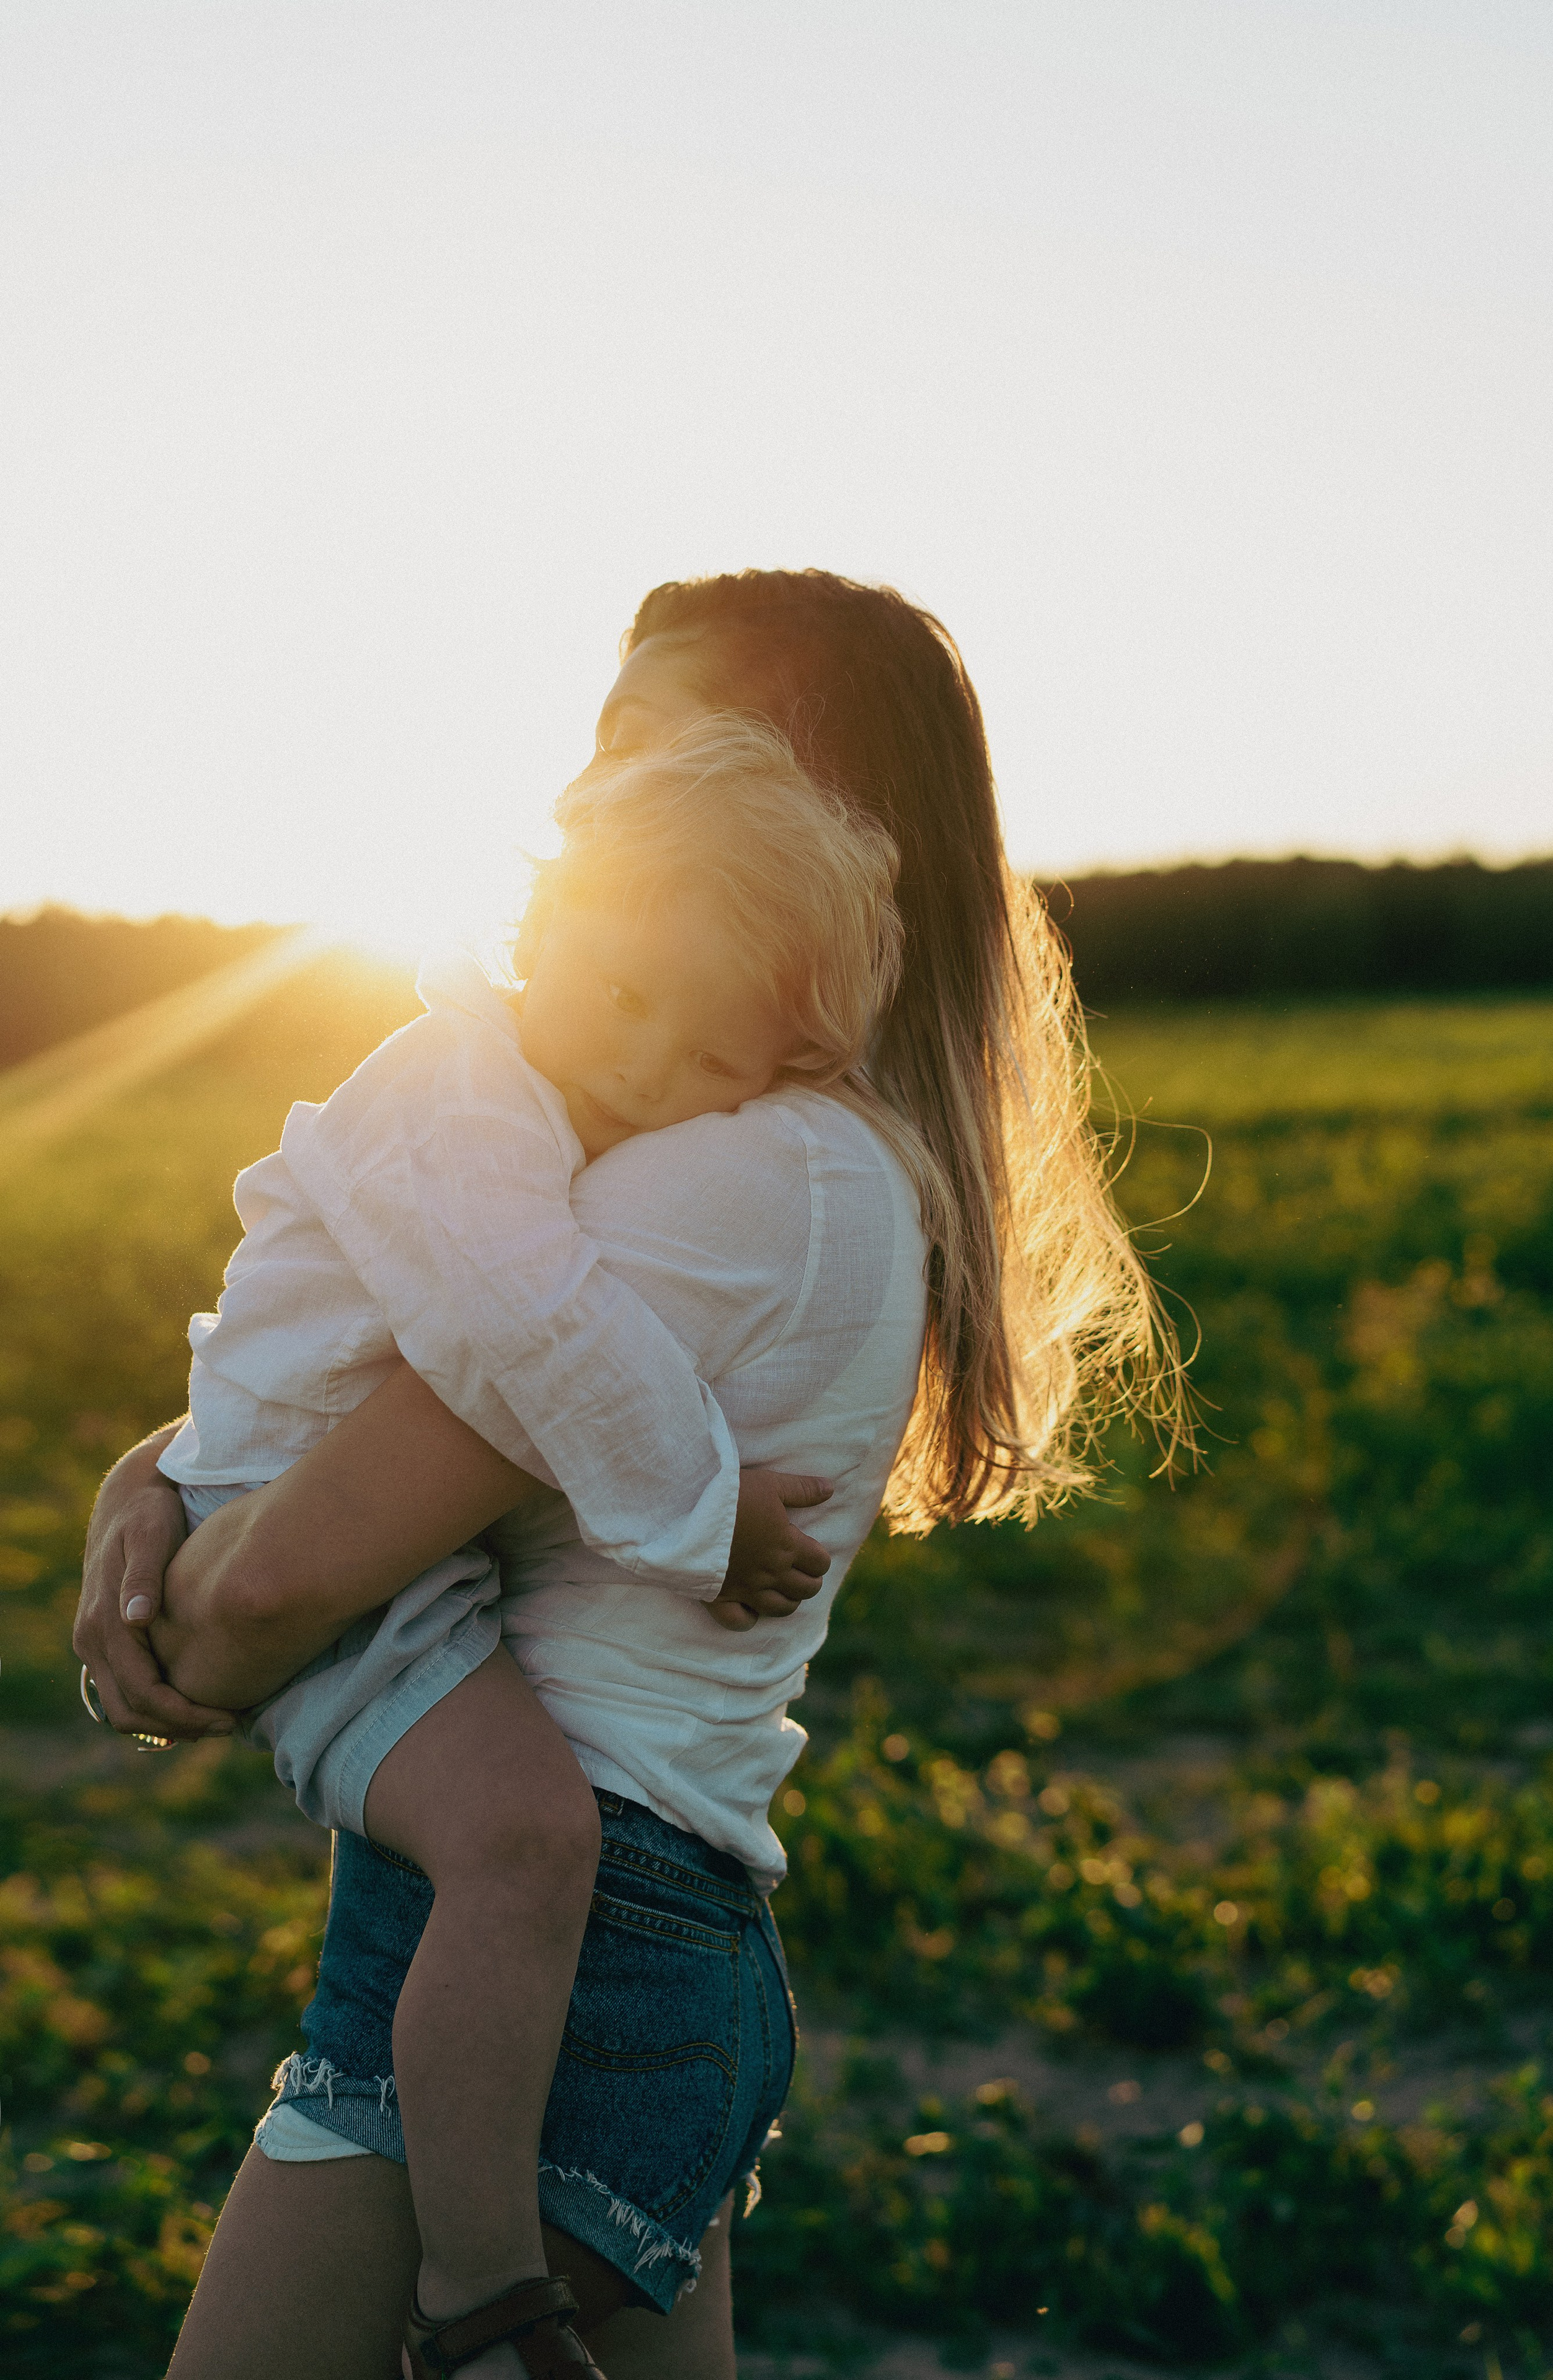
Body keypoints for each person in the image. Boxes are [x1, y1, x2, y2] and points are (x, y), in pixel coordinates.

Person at [76, 569, 1187, 2380]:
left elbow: (288, 1573)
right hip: (643, 1935)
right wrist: (163, 1470)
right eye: (609, 741)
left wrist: (179, 1597)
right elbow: (385, 1353)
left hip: (561, 1937)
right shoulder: (771, 1147)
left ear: (814, 815)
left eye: (670, 741)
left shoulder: (735, 1170)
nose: (612, 793)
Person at [128, 716, 903, 2378]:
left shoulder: (675, 1143)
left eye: (710, 1060)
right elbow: (531, 1335)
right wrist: (704, 1514)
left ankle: (482, 2292)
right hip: (341, 1576)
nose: (645, 1073)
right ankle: (481, 2291)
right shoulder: (466, 1104)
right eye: (621, 1000)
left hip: (381, 1571)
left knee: (531, 1841)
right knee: (522, 1837)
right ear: (536, 932)